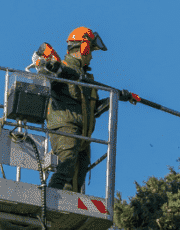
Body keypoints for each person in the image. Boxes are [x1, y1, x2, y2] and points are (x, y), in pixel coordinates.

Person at [36, 27, 131, 192]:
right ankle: (49, 199)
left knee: (78, 179)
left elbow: (93, 111)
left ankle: (64, 205)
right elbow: (46, 72)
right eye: (91, 51)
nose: (92, 56)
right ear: (84, 47)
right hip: (66, 127)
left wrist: (115, 98)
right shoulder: (62, 68)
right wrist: (50, 67)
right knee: (65, 166)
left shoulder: (86, 79)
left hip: (84, 134)